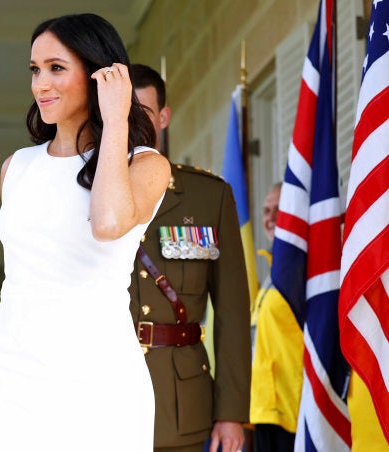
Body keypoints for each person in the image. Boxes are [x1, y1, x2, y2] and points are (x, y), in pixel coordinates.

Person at [0, 13, 170, 452]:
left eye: (56, 68)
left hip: (97, 378)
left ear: (100, 74)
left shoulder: (146, 164)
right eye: (35, 70)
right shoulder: (16, 167)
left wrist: (117, 119)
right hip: (12, 378)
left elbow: (108, 223)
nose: (40, 84)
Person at [129, 64, 251, 452]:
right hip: (104, 390)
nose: (133, 124)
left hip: (182, 402)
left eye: (143, 113)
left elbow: (232, 310)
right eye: (122, 114)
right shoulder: (84, 194)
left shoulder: (207, 196)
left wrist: (231, 412)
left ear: (163, 117)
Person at [250, 182, 303, 452]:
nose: (270, 218)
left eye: (279, 210)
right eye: (266, 211)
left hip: (295, 412)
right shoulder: (272, 272)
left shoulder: (308, 269)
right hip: (265, 411)